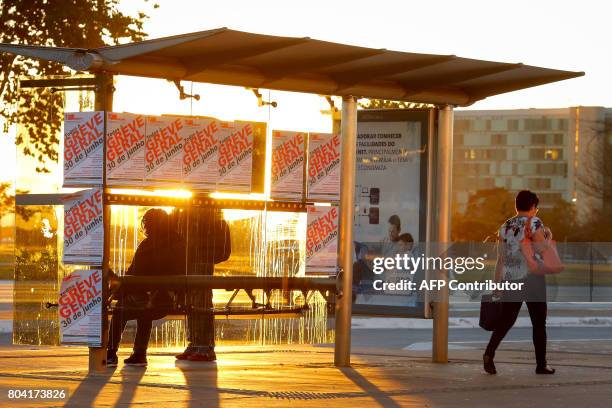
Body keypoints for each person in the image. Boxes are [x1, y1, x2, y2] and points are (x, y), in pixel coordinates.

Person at [483, 190, 555, 375]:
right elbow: (543, 249)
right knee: (539, 322)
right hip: (533, 278)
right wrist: (548, 235)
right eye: (536, 208)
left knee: (506, 320)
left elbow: (501, 258)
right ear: (532, 207)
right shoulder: (535, 223)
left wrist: (497, 285)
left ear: (517, 205)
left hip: (510, 277)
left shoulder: (505, 226)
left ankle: (489, 353)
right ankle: (541, 364)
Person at [107, 208, 185, 367]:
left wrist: (118, 287)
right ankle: (139, 353)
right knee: (145, 310)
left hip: (151, 298)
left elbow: (135, 272)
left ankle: (111, 352)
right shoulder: (178, 241)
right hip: (169, 299)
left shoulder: (149, 244)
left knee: (120, 310)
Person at [173, 208, 231, 362]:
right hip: (192, 269)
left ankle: (205, 347)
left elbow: (224, 251)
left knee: (202, 306)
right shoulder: (189, 221)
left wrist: (201, 256)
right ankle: (195, 343)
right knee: (192, 306)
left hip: (201, 270)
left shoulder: (216, 224)